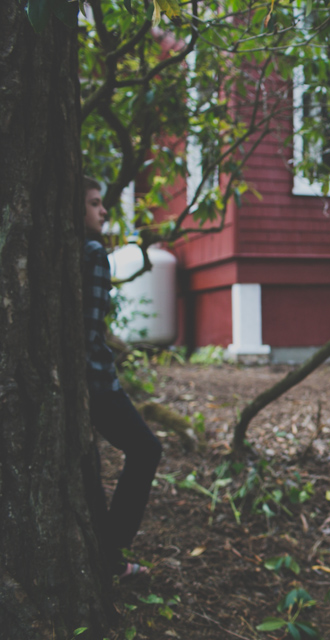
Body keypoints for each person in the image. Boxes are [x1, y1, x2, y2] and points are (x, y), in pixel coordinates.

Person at [81, 176, 162, 579]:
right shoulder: (94, 251)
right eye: (95, 203)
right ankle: (111, 554)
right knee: (147, 450)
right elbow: (89, 331)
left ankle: (106, 556)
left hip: (79, 387)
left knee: (88, 466)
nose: (103, 210)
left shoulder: (67, 251)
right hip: (95, 384)